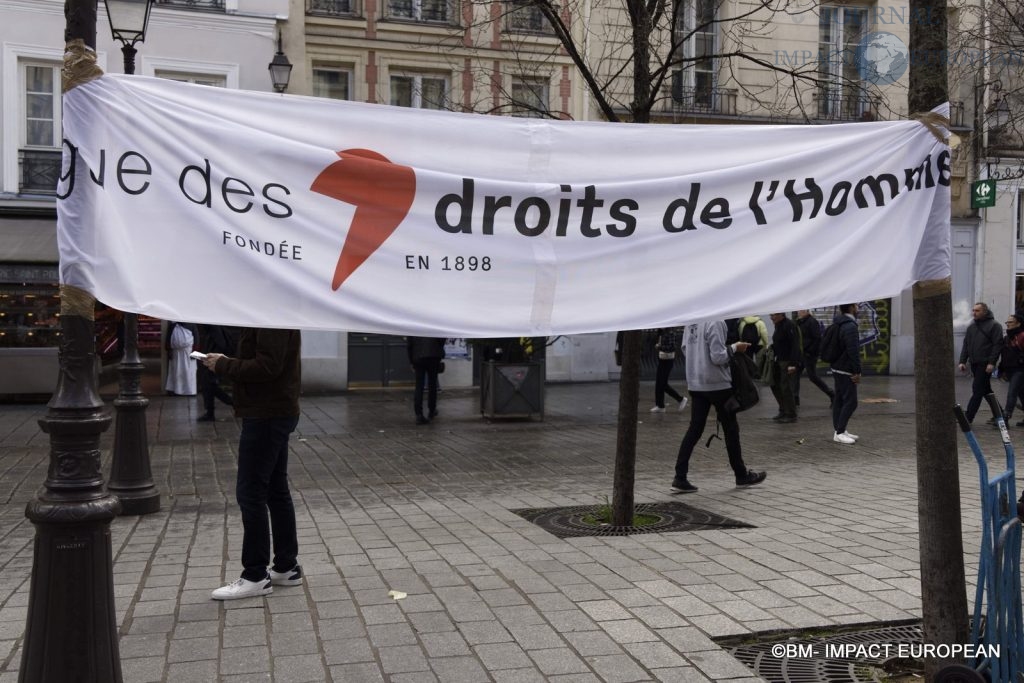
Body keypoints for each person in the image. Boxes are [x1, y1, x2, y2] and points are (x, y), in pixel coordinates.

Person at [203, 327, 303, 600]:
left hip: (267, 413)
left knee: (251, 492)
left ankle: (255, 575)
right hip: (272, 410)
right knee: (274, 489)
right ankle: (286, 566)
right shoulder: (272, 307)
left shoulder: (272, 311)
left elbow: (268, 366)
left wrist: (224, 364)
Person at [670, 320, 767, 493]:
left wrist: (699, 362)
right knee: (731, 429)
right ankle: (741, 475)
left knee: (694, 429)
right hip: (718, 385)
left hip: (696, 383)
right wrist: (736, 348)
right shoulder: (715, 322)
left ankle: (680, 475)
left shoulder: (691, 322)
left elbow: (685, 349)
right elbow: (718, 356)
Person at [958, 302, 1004, 425]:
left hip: (985, 363)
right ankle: (1001, 415)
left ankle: (968, 417)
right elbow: (966, 345)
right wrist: (962, 361)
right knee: (985, 390)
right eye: (973, 310)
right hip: (974, 362)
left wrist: (991, 362)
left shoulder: (995, 326)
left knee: (977, 389)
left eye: (977, 311)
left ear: (985, 311)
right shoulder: (971, 327)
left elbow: (997, 345)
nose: (974, 313)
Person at [830, 303, 862, 444]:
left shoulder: (839, 322)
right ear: (851, 308)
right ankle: (840, 432)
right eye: (857, 306)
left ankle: (839, 429)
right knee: (851, 402)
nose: (858, 308)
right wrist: (857, 371)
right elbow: (853, 350)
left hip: (837, 366)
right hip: (845, 368)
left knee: (839, 400)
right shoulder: (850, 326)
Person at [196, 324, 238, 422]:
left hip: (214, 361)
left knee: (209, 386)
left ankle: (233, 403)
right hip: (212, 361)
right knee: (210, 386)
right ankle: (211, 412)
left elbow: (221, 344)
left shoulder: (213, 328)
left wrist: (212, 356)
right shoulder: (213, 328)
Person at [794, 309, 835, 407]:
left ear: (807, 311)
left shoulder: (812, 322)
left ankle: (832, 394)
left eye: (801, 310)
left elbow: (817, 339)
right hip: (802, 354)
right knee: (795, 374)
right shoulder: (799, 322)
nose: (799, 312)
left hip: (809, 354)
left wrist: (810, 352)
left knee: (812, 377)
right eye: (798, 310)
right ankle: (795, 399)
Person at [768, 312, 801, 423]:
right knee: (775, 385)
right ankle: (783, 409)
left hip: (787, 361)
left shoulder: (789, 325)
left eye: (773, 315)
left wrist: (793, 363)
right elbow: (780, 342)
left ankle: (791, 414)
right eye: (770, 315)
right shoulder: (778, 325)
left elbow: (795, 345)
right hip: (779, 360)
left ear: (781, 315)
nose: (771, 317)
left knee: (786, 388)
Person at [408, 336, 446, 425]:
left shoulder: (413, 324)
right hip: (433, 355)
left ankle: (419, 414)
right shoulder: (433, 322)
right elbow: (442, 339)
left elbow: (409, 344)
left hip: (418, 356)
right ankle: (432, 410)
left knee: (419, 386)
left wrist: (411, 360)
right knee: (432, 384)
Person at [651, 327, 686, 413]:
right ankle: (660, 405)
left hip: (668, 360)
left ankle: (680, 399)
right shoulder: (661, 332)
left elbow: (671, 347)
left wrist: (659, 347)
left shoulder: (670, 333)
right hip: (662, 359)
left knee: (662, 384)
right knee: (659, 383)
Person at [997, 313, 1024, 426]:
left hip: (1021, 369)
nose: (1007, 324)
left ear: (1018, 323)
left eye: (1010, 322)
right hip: (1010, 369)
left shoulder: (1022, 336)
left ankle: (1005, 417)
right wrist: (1001, 369)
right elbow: (1004, 354)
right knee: (1022, 394)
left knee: (1012, 392)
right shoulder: (1007, 337)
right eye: (1007, 322)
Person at [164, 321, 197, 396]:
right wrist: (169, 350)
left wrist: (195, 351)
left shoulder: (192, 325)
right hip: (176, 353)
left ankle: (190, 391)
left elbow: (196, 338)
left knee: (189, 372)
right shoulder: (173, 326)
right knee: (176, 371)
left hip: (188, 352)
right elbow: (168, 338)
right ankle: (176, 390)